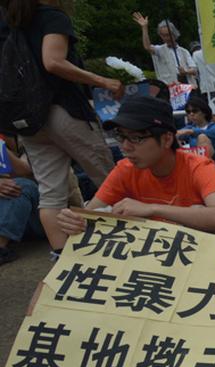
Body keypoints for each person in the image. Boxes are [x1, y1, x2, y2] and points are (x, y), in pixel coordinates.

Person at [2, 0, 121, 256]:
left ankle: (61, 256)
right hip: (62, 110)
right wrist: (103, 81)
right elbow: (53, 61)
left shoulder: (9, 21)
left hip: (27, 120)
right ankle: (128, 245)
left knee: (50, 193)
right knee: (109, 178)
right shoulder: (52, 16)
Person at [56, 96, 215, 235]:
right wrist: (76, 221)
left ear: (167, 139)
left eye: (136, 138)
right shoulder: (125, 169)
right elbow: (91, 214)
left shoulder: (199, 166)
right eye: (122, 137)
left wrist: (152, 209)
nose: (126, 147)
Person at [0, 139, 41, 265]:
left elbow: (25, 172)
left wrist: (2, 147)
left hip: (32, 216)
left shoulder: (27, 132)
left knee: (21, 185)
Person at [177, 97, 215, 177]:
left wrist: (191, 132)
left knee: (202, 137)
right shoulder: (189, 128)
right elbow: (177, 134)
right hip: (197, 164)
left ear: (204, 112)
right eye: (188, 112)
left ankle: (204, 173)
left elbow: (214, 133)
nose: (191, 114)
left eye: (195, 111)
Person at [132, 12, 196, 86]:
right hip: (169, 89)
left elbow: (194, 69)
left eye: (168, 35)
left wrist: (186, 71)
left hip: (187, 88)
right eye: (163, 35)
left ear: (174, 34)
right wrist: (144, 28)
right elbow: (147, 47)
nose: (166, 38)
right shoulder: (159, 50)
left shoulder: (184, 51)